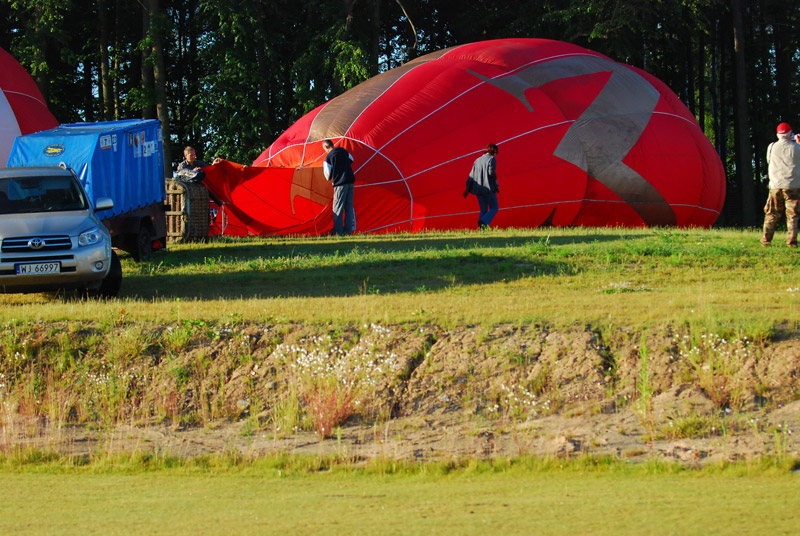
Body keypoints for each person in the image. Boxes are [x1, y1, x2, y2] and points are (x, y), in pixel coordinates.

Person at [761, 122, 800, 247]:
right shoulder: (797, 147)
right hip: (793, 186)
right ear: (790, 134)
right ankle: (791, 242)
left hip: (775, 185)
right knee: (792, 215)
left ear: (778, 135)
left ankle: (766, 240)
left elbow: (769, 161)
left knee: (772, 213)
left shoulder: (771, 147)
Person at [322, 139, 356, 235]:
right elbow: (351, 159)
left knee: (337, 208)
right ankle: (349, 231)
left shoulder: (328, 157)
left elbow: (327, 176)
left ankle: (338, 232)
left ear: (326, 147)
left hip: (340, 184)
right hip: (350, 182)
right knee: (349, 207)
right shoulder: (343, 151)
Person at [463, 143, 500, 229]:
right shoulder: (492, 159)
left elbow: (470, 177)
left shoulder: (477, 160)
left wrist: (467, 189)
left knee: (483, 209)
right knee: (494, 207)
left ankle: (482, 229)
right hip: (488, 188)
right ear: (493, 151)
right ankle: (483, 222)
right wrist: (495, 179)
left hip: (478, 189)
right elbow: (491, 173)